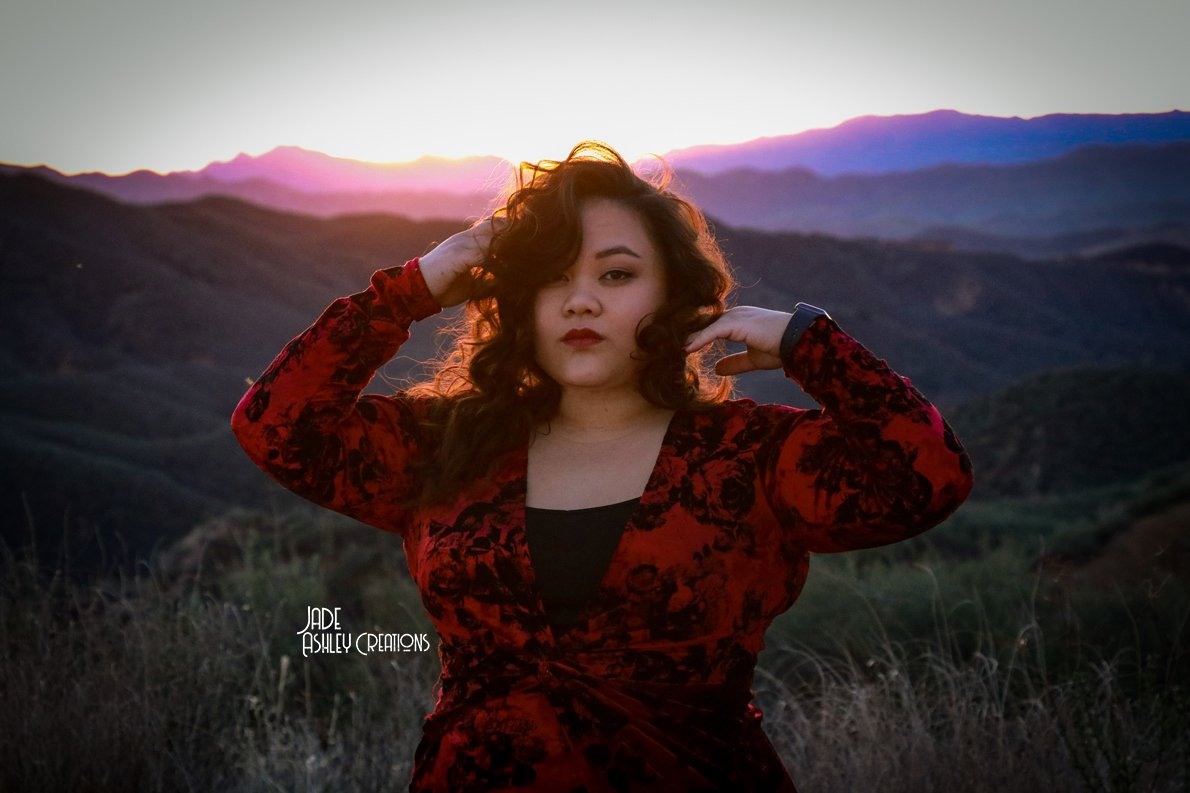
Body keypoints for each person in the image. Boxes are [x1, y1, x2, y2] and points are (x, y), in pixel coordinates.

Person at [231, 141, 974, 792]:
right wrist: (411, 287)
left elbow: (928, 474)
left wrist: (811, 342)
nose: (580, 299)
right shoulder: (447, 445)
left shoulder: (752, 457)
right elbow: (275, 424)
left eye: (616, 276)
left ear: (674, 297)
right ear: (517, 304)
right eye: (551, 278)